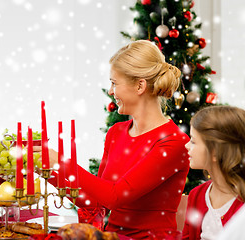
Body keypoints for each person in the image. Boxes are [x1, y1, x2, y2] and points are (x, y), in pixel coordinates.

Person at [38, 40, 190, 239]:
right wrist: (48, 172)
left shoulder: (174, 142)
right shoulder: (116, 133)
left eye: (114, 83)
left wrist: (61, 162)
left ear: (140, 86)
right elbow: (97, 202)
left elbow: (116, 196)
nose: (110, 91)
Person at [182, 106, 245, 240]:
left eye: (193, 141)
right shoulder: (196, 195)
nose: (187, 145)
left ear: (215, 152)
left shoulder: (241, 203)